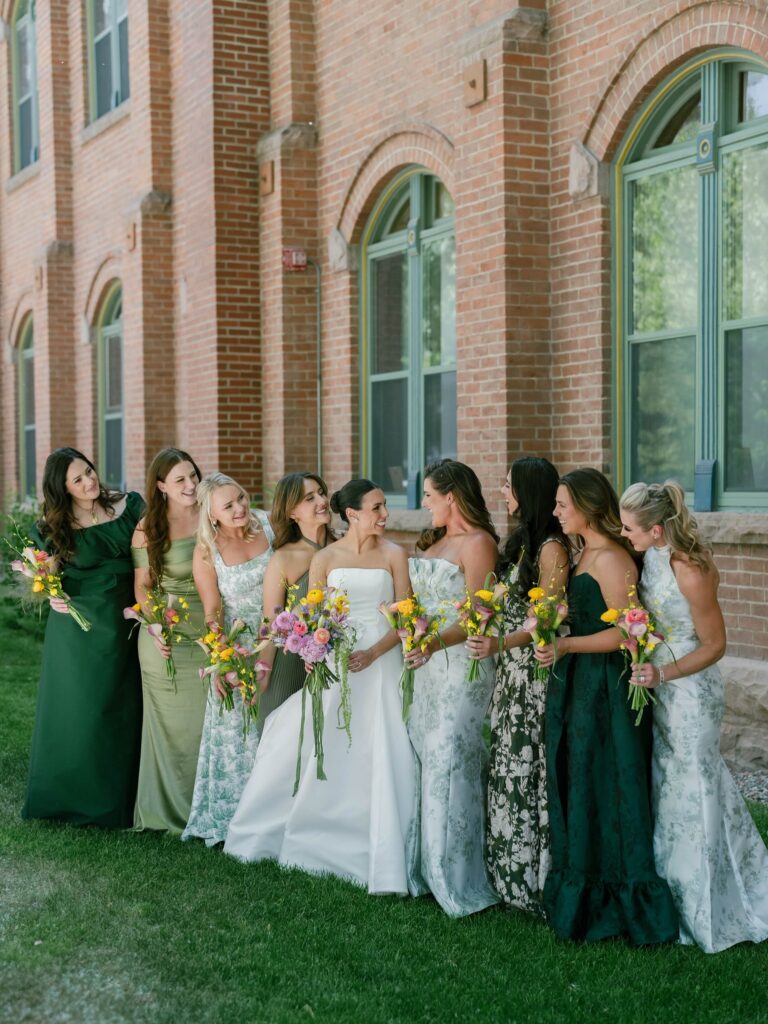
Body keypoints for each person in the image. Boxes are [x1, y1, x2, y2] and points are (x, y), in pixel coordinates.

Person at [224, 479, 417, 894]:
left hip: (381, 662)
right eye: (377, 508)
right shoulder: (324, 559)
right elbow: (315, 618)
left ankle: (379, 842)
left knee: (378, 743)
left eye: (385, 506)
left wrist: (375, 652)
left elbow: (405, 619)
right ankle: (315, 833)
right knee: (324, 739)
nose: (385, 515)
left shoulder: (395, 554)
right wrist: (314, 652)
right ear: (353, 514)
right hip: (337, 663)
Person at [620, 480, 768, 953]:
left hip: (690, 691)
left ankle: (708, 905)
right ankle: (670, 892)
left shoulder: (690, 569)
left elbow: (716, 645)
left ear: (656, 530)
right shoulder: (652, 557)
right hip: (659, 682)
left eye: (629, 529)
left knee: (694, 785)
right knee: (669, 784)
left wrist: (663, 673)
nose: (625, 535)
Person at [534, 468, 678, 945]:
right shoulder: (582, 554)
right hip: (580, 684)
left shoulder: (614, 559)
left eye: (563, 504)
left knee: (607, 780)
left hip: (607, 689)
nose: (556, 512)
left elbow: (626, 634)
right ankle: (581, 882)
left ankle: (618, 895)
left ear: (589, 507)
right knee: (580, 778)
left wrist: (567, 645)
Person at [467, 456, 569, 915]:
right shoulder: (522, 544)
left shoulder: (552, 549)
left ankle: (536, 879)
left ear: (527, 492)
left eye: (508, 486)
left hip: (534, 673)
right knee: (507, 765)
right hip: (510, 672)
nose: (502, 492)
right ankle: (509, 875)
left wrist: (499, 643)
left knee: (529, 767)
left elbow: (545, 621)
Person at [22, 447, 144, 826]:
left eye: (89, 471)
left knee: (124, 704)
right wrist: (50, 592)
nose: (90, 481)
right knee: (81, 707)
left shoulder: (129, 506)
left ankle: (124, 798)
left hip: (127, 619)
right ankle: (69, 796)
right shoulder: (52, 528)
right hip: (78, 628)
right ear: (63, 489)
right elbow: (44, 572)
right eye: (78, 480)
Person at [404, 459, 500, 916]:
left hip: (463, 666)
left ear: (451, 496)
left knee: (450, 757)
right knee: (427, 755)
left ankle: (458, 875)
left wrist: (430, 642)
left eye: (428, 495)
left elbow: (479, 615)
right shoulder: (433, 543)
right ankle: (427, 867)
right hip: (426, 669)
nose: (424, 503)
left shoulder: (479, 544)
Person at [181, 473, 274, 846]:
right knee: (237, 729)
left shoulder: (268, 525)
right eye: (228, 505)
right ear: (212, 514)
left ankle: (278, 814)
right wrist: (223, 660)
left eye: (241, 498)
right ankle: (233, 817)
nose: (239, 508)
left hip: (279, 637)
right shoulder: (207, 550)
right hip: (238, 647)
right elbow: (212, 611)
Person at [131, 448, 207, 833]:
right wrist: (157, 624)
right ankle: (169, 811)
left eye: (193, 475)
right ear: (161, 486)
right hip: (167, 634)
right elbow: (143, 588)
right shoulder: (149, 527)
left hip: (213, 628)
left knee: (210, 722)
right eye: (180, 479)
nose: (190, 484)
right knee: (173, 726)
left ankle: (212, 808)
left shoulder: (212, 512)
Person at [257, 472, 334, 728]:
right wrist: (263, 671)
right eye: (309, 498)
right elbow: (270, 621)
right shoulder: (283, 558)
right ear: (292, 513)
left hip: (337, 662)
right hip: (289, 663)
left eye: (321, 493)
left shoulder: (344, 546)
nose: (321, 501)